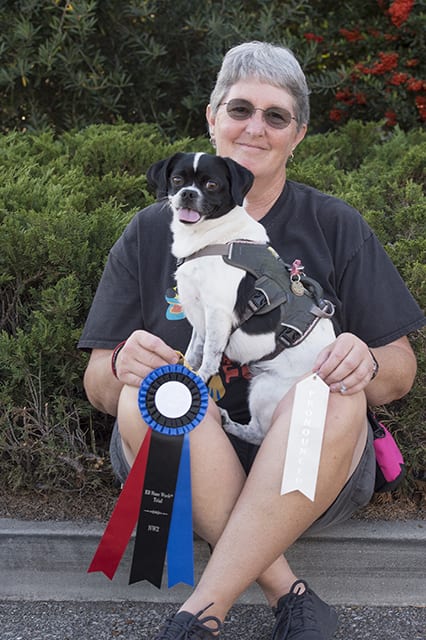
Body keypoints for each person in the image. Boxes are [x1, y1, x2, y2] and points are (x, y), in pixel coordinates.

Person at [79, 41, 425, 640]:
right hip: (186, 462)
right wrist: (122, 366)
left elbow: (399, 371)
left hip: (311, 464)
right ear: (212, 119)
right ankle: (288, 592)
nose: (255, 128)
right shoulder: (146, 232)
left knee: (334, 393)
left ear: (299, 134)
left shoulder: (334, 224)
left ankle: (197, 614)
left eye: (276, 116)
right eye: (239, 109)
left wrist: (365, 360)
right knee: (151, 400)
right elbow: (99, 387)